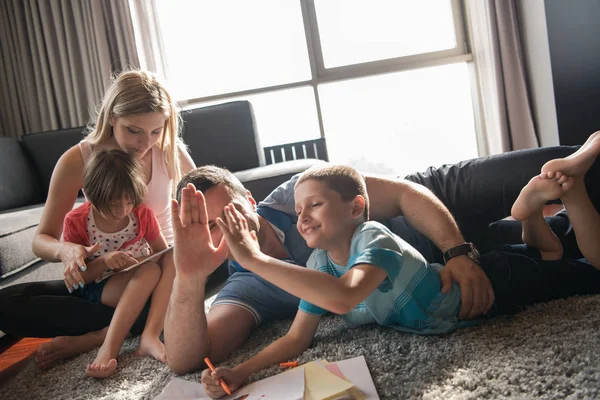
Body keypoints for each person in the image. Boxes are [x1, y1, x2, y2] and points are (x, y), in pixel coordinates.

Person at [199, 158, 600, 397]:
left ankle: (569, 194)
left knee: (588, 271)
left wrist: (253, 258)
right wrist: (241, 371)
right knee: (550, 253)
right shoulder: (319, 264)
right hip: (481, 284)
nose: (301, 217)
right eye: (299, 210)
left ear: (357, 208)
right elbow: (296, 338)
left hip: (495, 285)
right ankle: (530, 214)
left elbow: (345, 297)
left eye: (315, 206)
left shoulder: (375, 238)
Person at [164, 165, 495, 375]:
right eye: (210, 226)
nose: (226, 227)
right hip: (429, 288)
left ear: (250, 201)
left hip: (437, 209)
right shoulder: (245, 285)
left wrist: (458, 251)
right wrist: (189, 278)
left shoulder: (298, 196)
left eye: (231, 212)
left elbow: (403, 194)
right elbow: (187, 360)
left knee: (539, 169)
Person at [0, 70, 195, 368]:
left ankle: (99, 336)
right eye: (134, 130)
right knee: (6, 304)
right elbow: (42, 240)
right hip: (106, 280)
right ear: (112, 117)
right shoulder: (78, 159)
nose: (146, 143)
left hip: (166, 271)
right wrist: (66, 251)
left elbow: (203, 204)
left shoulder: (169, 153)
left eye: (156, 131)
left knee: (190, 272)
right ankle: (140, 321)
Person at [63, 148, 168, 378]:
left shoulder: (141, 215)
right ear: (94, 194)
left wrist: (138, 262)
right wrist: (104, 262)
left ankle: (106, 335)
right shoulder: (78, 222)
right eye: (113, 204)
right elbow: (79, 279)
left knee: (160, 269)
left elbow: (163, 253)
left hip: (141, 280)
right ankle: (108, 348)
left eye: (129, 201)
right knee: (151, 273)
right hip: (101, 286)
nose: (123, 211)